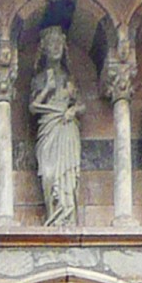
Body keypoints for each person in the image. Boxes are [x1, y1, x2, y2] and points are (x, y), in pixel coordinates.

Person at [30, 26, 85, 227]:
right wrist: (47, 88)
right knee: (48, 173)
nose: (56, 47)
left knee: (67, 175)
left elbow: (82, 105)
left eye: (59, 43)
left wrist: (73, 110)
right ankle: (53, 214)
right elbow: (33, 107)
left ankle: (67, 215)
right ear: (44, 48)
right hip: (49, 129)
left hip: (67, 129)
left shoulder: (69, 79)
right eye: (52, 43)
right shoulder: (39, 79)